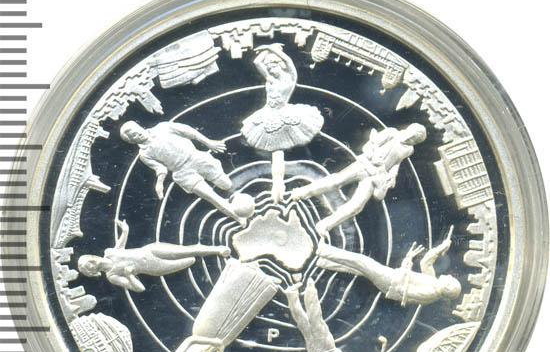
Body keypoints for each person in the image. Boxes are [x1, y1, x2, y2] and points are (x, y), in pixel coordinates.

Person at [291, 123, 427, 236]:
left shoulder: (409, 150)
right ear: (408, 130)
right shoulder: (391, 133)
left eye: (413, 140)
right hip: (364, 165)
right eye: (411, 136)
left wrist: (392, 175)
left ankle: (325, 225)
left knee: (357, 206)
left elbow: (396, 163)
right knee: (336, 181)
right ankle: (301, 192)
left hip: (375, 177)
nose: (410, 140)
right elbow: (369, 145)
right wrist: (373, 156)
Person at [120, 120, 247, 225]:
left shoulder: (163, 127)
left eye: (137, 130)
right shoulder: (145, 154)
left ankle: (239, 201)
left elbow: (189, 131)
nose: (138, 134)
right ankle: (238, 218)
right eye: (134, 136)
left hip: (197, 158)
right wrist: (159, 183)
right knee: (212, 197)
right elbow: (161, 169)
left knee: (226, 185)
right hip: (183, 174)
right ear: (132, 141)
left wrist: (209, 143)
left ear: (140, 126)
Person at [241, 44, 324, 202]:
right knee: (276, 152)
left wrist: (273, 50)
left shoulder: (291, 78)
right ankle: (277, 184)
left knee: (280, 150)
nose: (271, 70)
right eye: (269, 67)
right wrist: (267, 48)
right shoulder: (270, 79)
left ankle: (279, 183)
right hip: (268, 116)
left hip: (284, 115)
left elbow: (288, 61)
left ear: (281, 65)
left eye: (273, 66)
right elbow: (257, 62)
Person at [316, 228, 461, 306]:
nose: (449, 276)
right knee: (360, 269)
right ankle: (325, 262)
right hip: (393, 279)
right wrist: (441, 248)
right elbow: (426, 262)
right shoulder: (432, 282)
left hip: (391, 283)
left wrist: (407, 263)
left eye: (450, 280)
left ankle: (324, 251)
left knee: (363, 262)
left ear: (447, 287)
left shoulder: (430, 293)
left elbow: (404, 290)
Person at [78, 219, 230, 293]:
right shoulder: (112, 276)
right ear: (92, 272)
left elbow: (122, 243)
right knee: (189, 261)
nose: (92, 262)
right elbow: (139, 288)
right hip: (155, 267)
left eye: (89, 259)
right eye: (88, 266)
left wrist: (124, 230)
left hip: (151, 250)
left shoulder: (110, 252)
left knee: (188, 251)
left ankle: (218, 250)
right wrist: (129, 275)